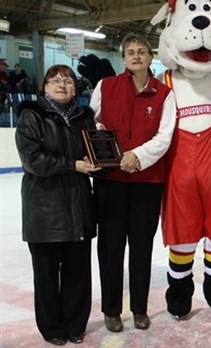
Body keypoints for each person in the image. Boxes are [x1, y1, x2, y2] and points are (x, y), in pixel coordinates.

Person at [89, 33, 176, 332]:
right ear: (123, 58)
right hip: (111, 180)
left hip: (147, 180)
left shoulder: (164, 94)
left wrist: (137, 156)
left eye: (141, 51)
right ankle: (111, 309)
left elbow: (164, 137)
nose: (136, 56)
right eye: (130, 52)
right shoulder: (106, 86)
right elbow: (96, 123)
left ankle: (139, 308)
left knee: (140, 248)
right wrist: (113, 154)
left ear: (151, 57)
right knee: (111, 248)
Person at [15, 64, 101, 345]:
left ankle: (75, 325)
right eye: (55, 80)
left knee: (77, 272)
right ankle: (52, 328)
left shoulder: (84, 116)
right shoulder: (32, 115)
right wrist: (72, 165)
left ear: (75, 87)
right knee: (47, 275)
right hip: (45, 210)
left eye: (68, 80)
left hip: (78, 206)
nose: (62, 84)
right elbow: (33, 161)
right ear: (45, 86)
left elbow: (94, 151)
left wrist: (103, 160)